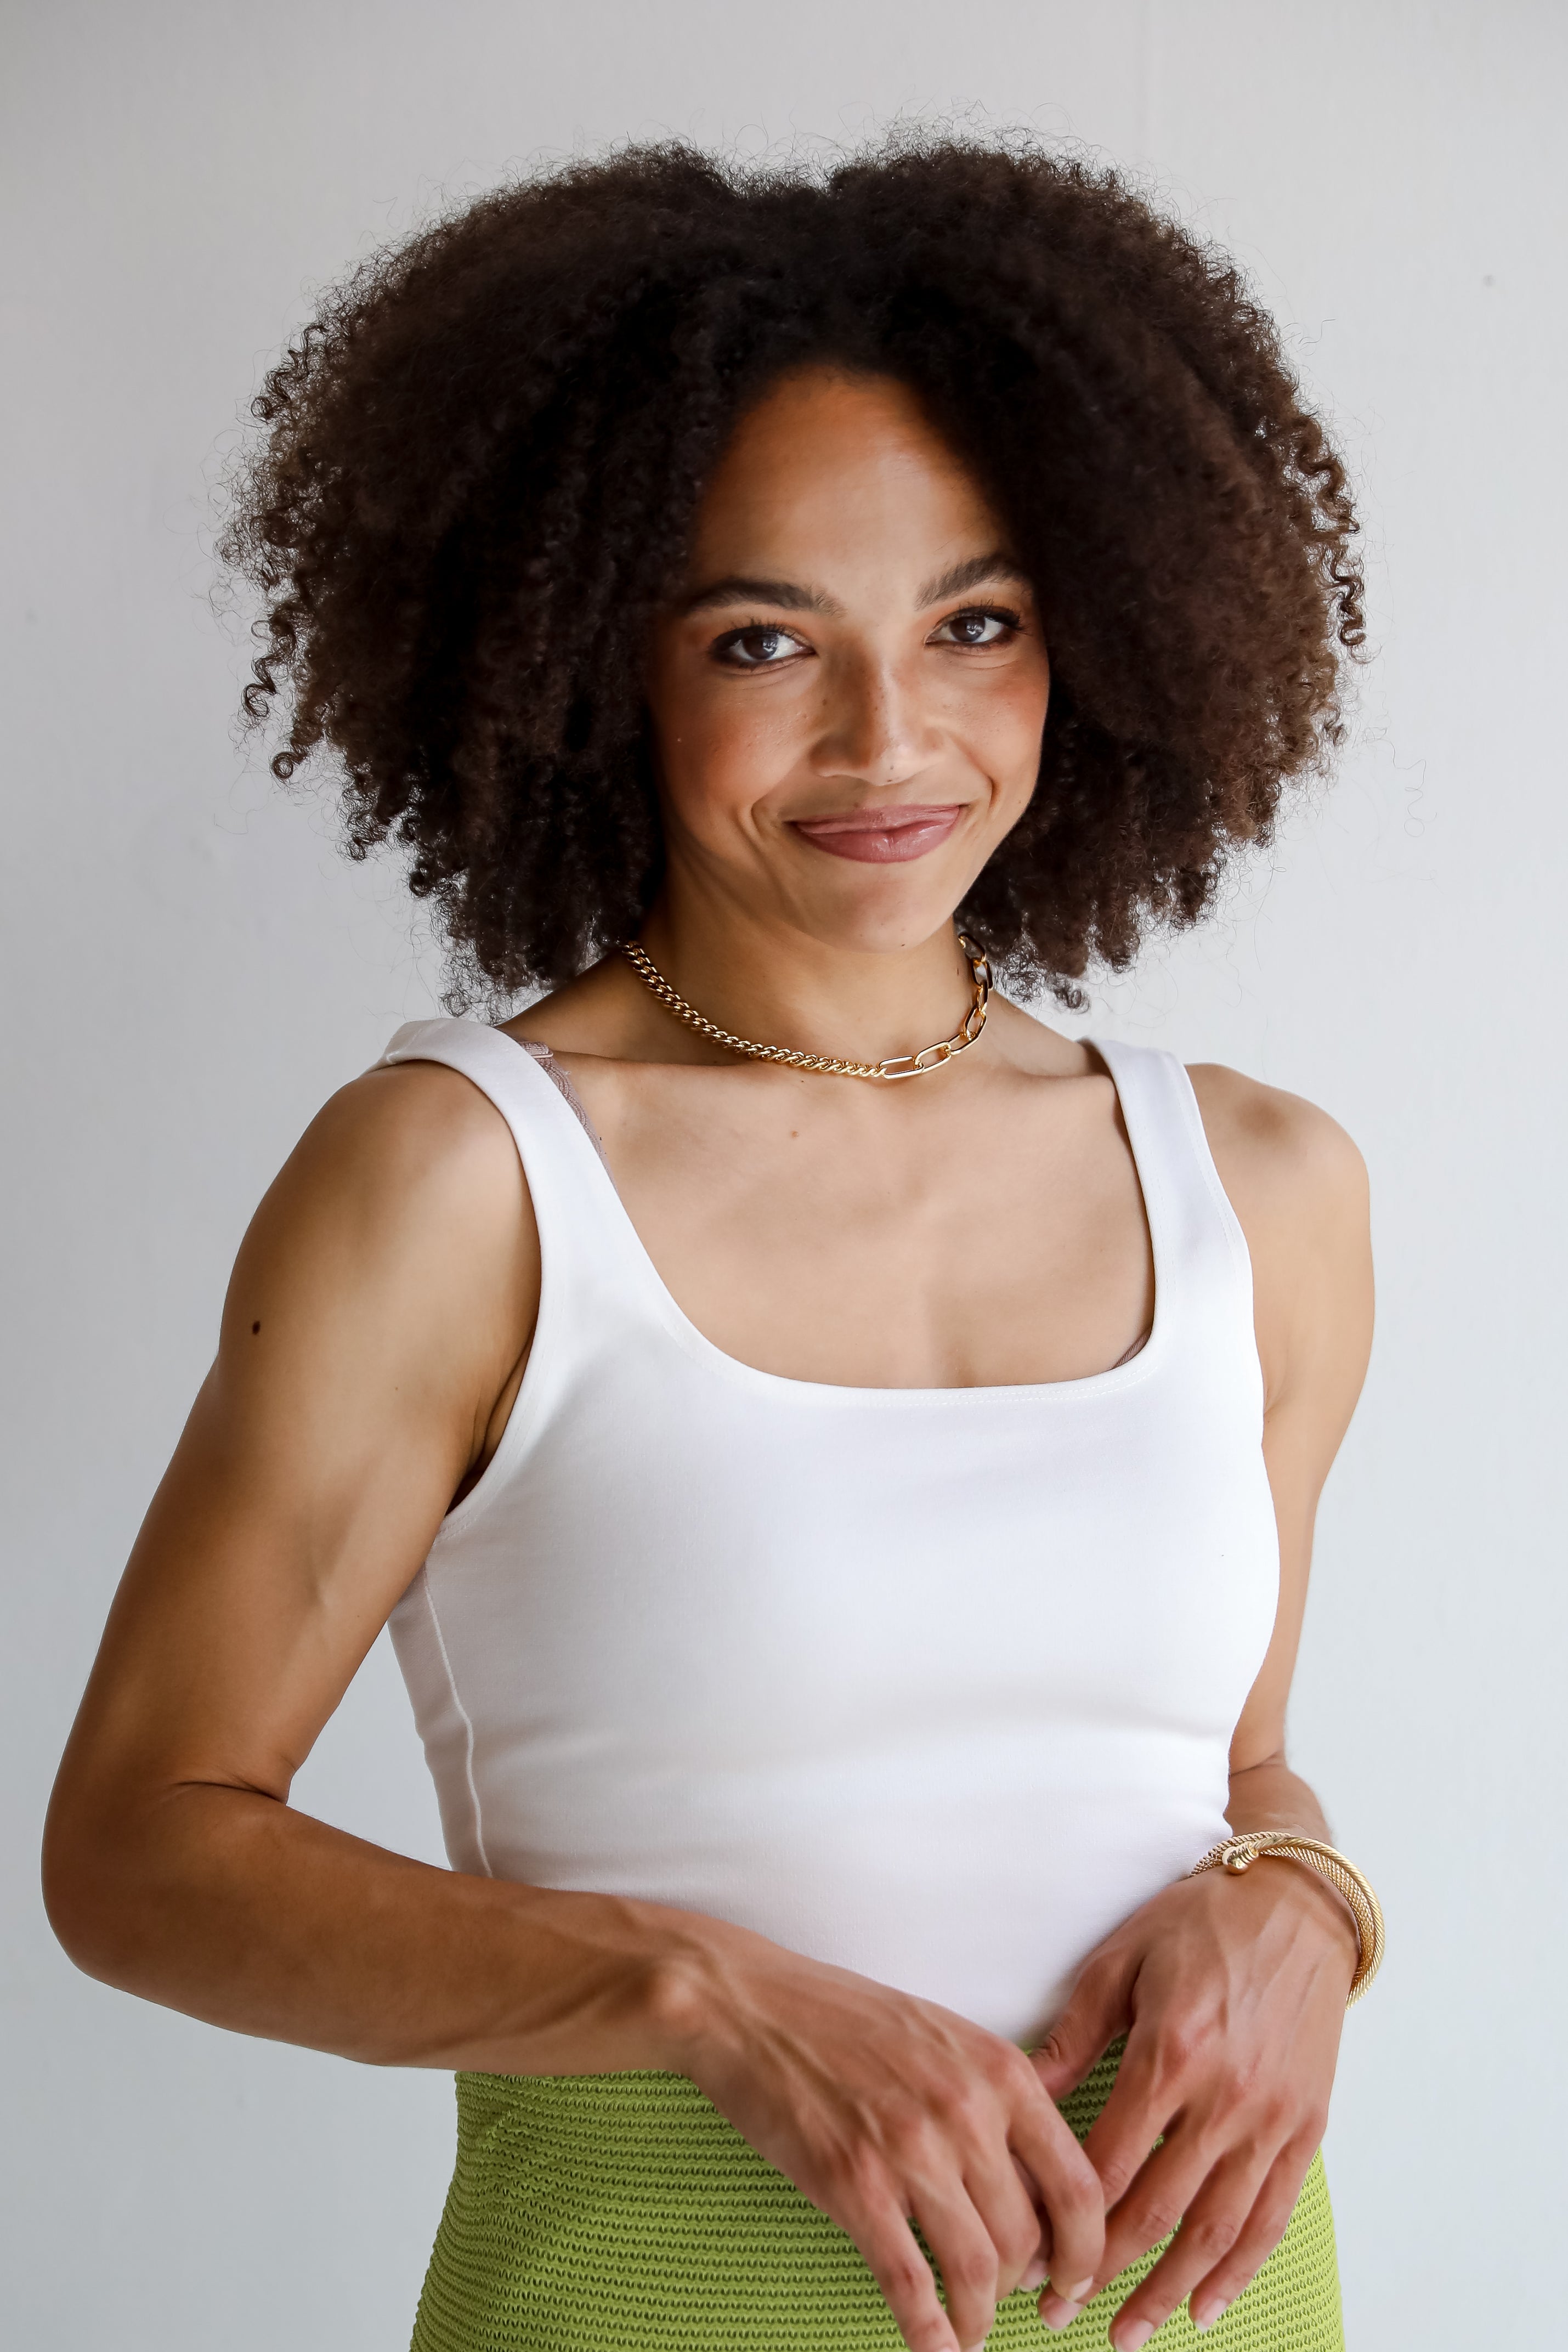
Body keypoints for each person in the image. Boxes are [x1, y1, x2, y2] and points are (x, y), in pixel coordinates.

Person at [44, 139, 1381, 2352]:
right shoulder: (463, 1180)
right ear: (595, 672)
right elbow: (139, 1848)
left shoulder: (1263, 1185)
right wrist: (694, 1992)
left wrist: (1306, 1904)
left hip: (1206, 2306)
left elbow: (1224, 1770)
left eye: (976, 623)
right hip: (652, 2293)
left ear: (1100, 626)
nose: (892, 739)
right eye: (766, 638)